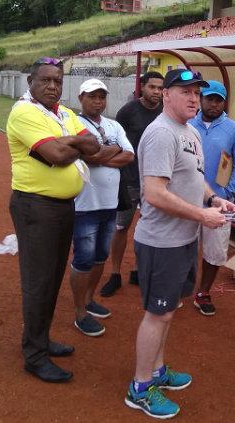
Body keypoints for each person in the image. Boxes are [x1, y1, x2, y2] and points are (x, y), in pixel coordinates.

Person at [124, 69, 235, 419]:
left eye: (197, 92)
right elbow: (155, 194)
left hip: (183, 238)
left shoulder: (188, 132)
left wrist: (213, 199)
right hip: (162, 242)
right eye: (184, 91)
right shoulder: (161, 133)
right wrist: (202, 217)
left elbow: (195, 178)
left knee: (168, 311)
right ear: (166, 96)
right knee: (157, 315)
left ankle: (157, 372)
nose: (193, 98)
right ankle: (140, 387)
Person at [6, 57, 101, 383]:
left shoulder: (64, 113)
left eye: (58, 81)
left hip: (62, 207)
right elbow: (60, 156)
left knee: (53, 277)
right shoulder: (24, 112)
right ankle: (34, 356)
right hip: (35, 207)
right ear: (30, 81)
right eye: (45, 80)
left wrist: (67, 142)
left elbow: (94, 144)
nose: (52, 86)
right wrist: (70, 144)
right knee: (38, 283)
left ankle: (42, 340)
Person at [69, 79, 135, 337]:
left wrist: (100, 156)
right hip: (84, 204)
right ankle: (79, 312)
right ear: (81, 98)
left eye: (101, 97)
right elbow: (84, 156)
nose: (98, 101)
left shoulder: (114, 125)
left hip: (110, 203)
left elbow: (128, 155)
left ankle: (88, 299)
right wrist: (112, 150)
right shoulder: (75, 124)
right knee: (83, 258)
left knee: (99, 257)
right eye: (92, 96)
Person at [100, 72, 164, 297]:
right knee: (121, 227)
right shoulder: (128, 112)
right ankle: (115, 274)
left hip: (155, 181)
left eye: (160, 88)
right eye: (152, 87)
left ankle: (137, 270)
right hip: (129, 179)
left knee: (147, 227)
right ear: (142, 87)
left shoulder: (165, 111)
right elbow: (116, 141)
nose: (156, 92)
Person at [188, 80, 235, 316]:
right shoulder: (188, 123)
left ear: (224, 102)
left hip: (221, 201)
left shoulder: (233, 129)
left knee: (215, 250)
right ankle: (184, 286)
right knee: (184, 245)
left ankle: (203, 292)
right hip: (189, 198)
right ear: (201, 99)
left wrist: (229, 191)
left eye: (218, 100)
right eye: (209, 99)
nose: (213, 104)